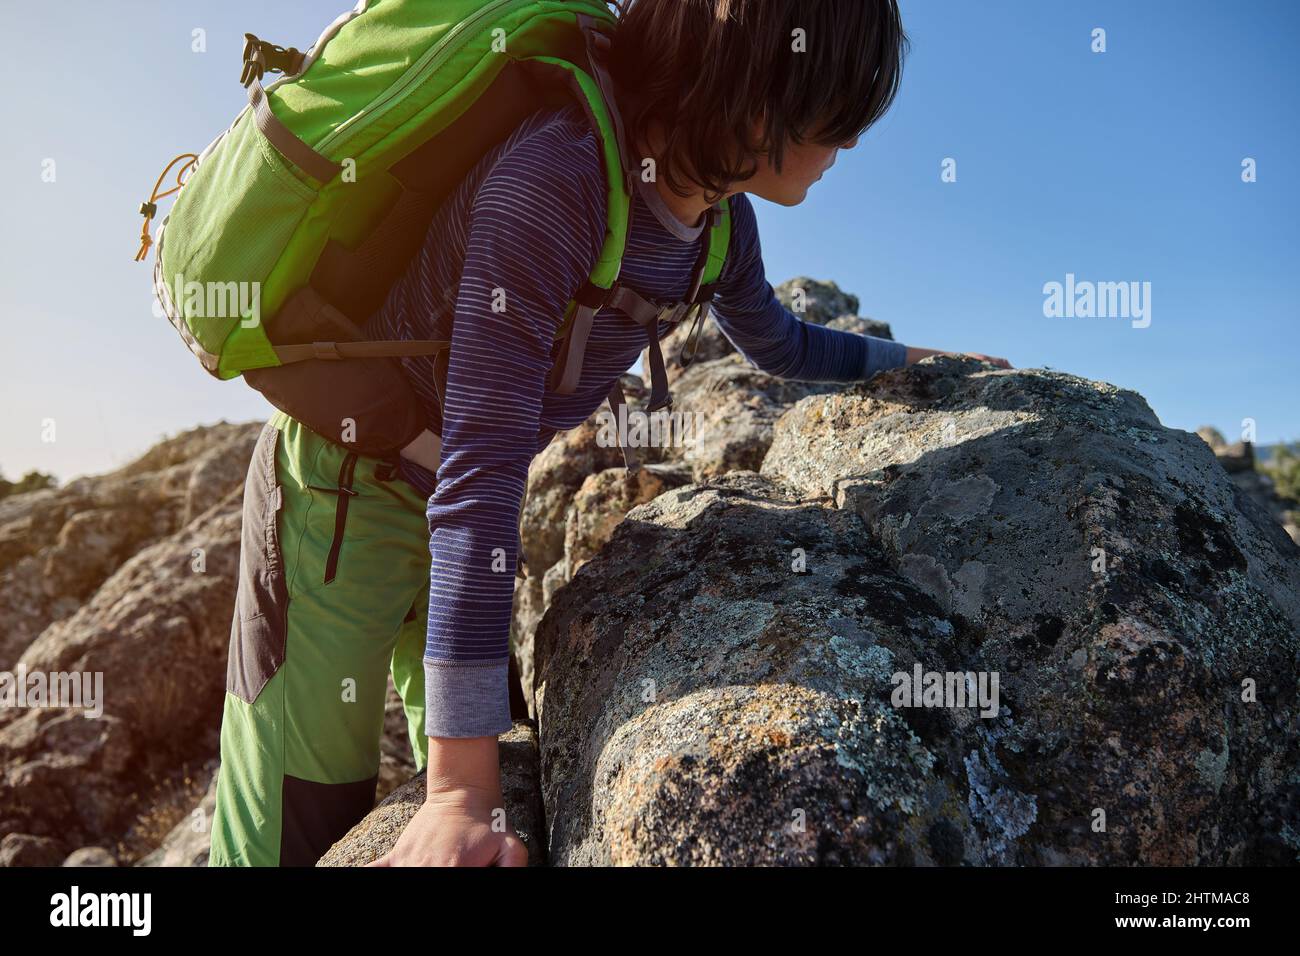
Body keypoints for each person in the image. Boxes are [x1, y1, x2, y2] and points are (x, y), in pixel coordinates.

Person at [209, 0, 1009, 868]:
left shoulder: (719, 224)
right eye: (831, 115)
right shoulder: (556, 182)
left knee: (464, 783)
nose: (846, 147)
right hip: (344, 498)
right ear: (753, 89)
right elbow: (484, 473)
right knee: (300, 818)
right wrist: (457, 796)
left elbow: (780, 341)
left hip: (450, 521)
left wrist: (922, 358)